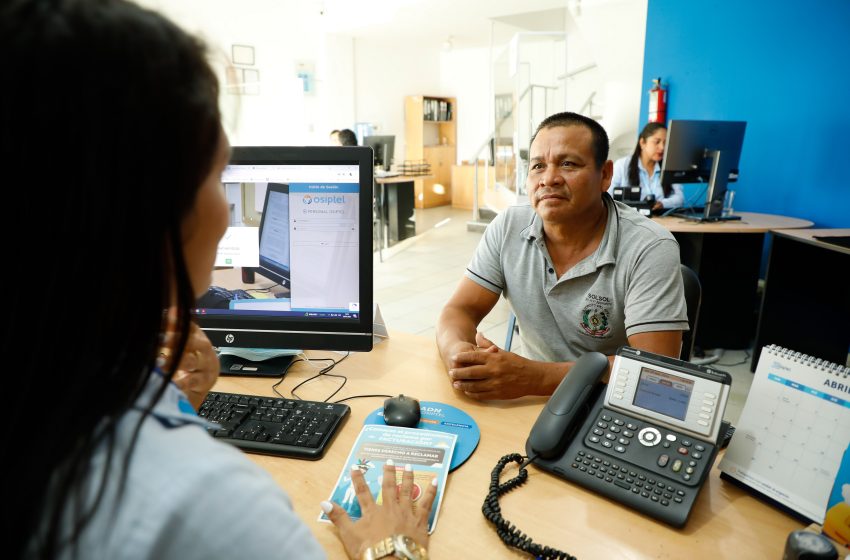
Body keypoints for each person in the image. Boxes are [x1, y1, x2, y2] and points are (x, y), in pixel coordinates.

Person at [3, 1, 435, 559]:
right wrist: (394, 548)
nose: (227, 212)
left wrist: (178, 404)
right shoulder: (215, 507)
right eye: (216, 173)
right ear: (160, 209)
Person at [436, 112, 688, 401]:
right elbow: (458, 311)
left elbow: (655, 373)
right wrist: (457, 354)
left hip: (609, 403)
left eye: (568, 164)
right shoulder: (509, 227)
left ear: (605, 175)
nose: (549, 179)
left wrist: (535, 377)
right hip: (529, 400)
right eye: (538, 166)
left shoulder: (649, 247)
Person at [608, 122, 684, 212]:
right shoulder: (622, 165)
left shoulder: (668, 167)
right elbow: (608, 196)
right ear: (642, 142)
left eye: (665, 143)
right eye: (657, 142)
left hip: (660, 220)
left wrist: (663, 203)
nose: (662, 147)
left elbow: (680, 198)